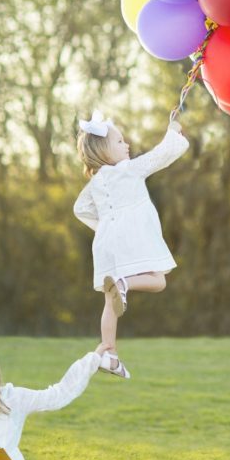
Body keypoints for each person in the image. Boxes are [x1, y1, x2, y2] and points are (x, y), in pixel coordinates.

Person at [74, 110, 189, 379]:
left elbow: (80, 209)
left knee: (109, 302)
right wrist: (173, 131)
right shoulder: (129, 170)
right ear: (104, 151)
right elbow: (160, 156)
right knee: (159, 281)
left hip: (106, 244)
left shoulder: (95, 184)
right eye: (119, 142)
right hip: (133, 237)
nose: (126, 146)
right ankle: (125, 284)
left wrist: (104, 225)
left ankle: (109, 354)